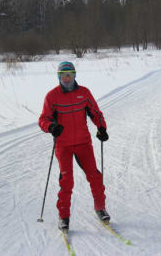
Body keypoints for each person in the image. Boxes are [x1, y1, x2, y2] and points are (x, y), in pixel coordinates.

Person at [38, 61, 110, 231]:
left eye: (70, 74)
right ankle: (63, 217)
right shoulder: (52, 96)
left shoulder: (84, 93)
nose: (67, 78)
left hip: (83, 143)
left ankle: (101, 208)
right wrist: (51, 127)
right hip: (63, 145)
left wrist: (101, 128)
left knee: (95, 176)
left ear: (75, 75)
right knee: (66, 181)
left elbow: (95, 113)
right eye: (63, 75)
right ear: (58, 77)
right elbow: (43, 120)